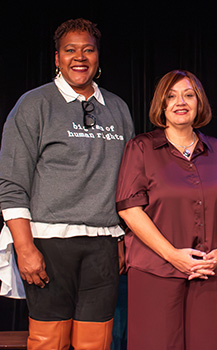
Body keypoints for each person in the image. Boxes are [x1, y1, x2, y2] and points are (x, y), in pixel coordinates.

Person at [0, 18, 134, 350]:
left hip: (102, 247)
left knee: (96, 342)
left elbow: (126, 184)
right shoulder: (34, 105)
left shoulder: (117, 109)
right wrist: (24, 247)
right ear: (57, 58)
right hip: (48, 245)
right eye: (70, 50)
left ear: (98, 57)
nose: (80, 57)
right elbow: (12, 182)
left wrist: (119, 238)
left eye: (88, 49)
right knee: (49, 342)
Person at [115, 69, 217, 350]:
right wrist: (173, 256)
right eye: (171, 96)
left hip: (207, 272)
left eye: (188, 95)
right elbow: (129, 209)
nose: (180, 102)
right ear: (161, 104)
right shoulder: (141, 149)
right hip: (155, 272)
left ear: (199, 104)